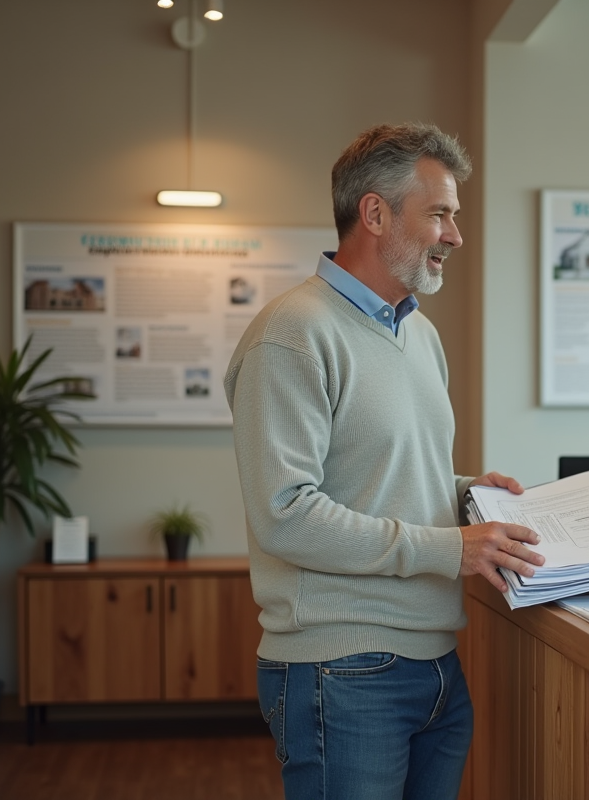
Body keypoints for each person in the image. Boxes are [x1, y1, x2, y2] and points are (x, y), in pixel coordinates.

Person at [223, 122, 544, 800]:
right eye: (440, 214)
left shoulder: (419, 334)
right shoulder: (292, 335)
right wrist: (447, 547)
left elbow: (375, 474)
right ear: (375, 213)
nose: (455, 235)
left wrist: (462, 491)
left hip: (434, 667)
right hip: (341, 669)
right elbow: (286, 515)